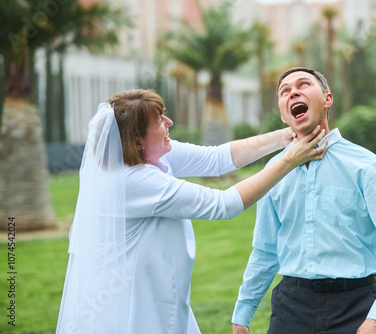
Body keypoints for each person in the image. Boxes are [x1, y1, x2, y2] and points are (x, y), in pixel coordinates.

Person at [56, 89, 328, 334]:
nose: (169, 123)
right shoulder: (133, 181)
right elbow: (224, 205)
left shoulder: (154, 153)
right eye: (160, 121)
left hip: (160, 293)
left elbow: (217, 158)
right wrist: (289, 160)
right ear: (138, 140)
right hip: (135, 306)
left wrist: (283, 137)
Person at [232, 67, 376, 334]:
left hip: (355, 307)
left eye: (303, 85)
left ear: (327, 99)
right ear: (282, 113)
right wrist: (242, 314)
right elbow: (265, 251)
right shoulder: (273, 172)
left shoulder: (366, 166)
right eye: (285, 90)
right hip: (290, 309)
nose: (294, 92)